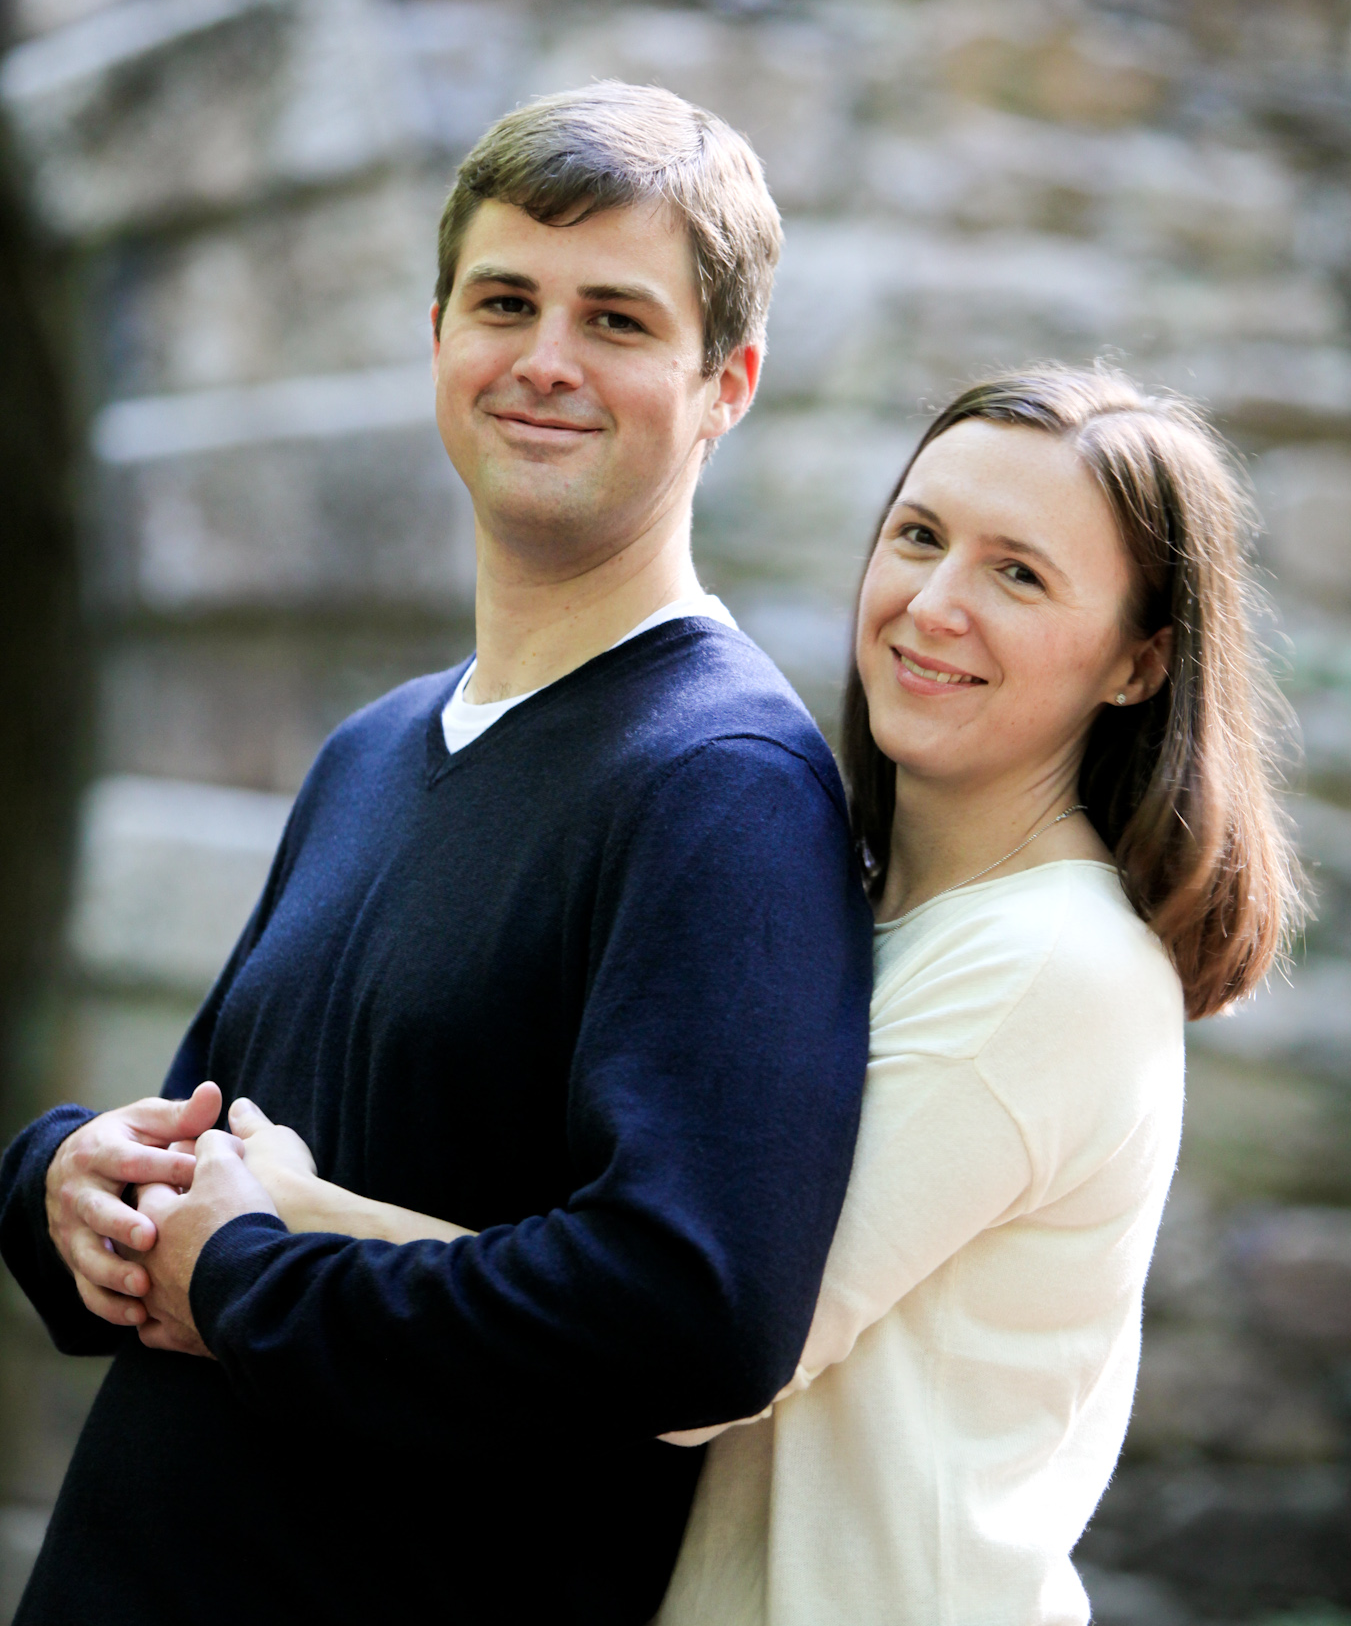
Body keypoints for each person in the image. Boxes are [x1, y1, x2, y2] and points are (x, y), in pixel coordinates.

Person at [225, 366, 1302, 1626]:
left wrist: (289, 1219)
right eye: (920, 534)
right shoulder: (845, 899)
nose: (934, 604)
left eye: (1019, 573)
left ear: (1139, 662)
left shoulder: (1052, 967)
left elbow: (694, 1349)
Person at [0, 82, 873, 1626]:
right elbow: (214, 1157)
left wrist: (246, 1283)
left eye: (616, 319)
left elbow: (694, 1312)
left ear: (725, 383)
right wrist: (65, 1181)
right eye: (505, 302)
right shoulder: (375, 746)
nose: (544, 361)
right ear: (435, 339)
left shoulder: (723, 784)